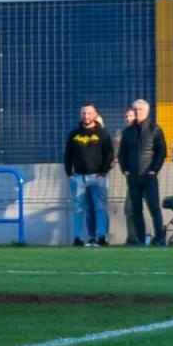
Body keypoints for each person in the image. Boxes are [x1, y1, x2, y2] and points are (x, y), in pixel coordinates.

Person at [119, 98, 167, 246]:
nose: (137, 112)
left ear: (147, 111)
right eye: (135, 110)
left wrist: (154, 170)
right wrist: (125, 170)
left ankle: (160, 238)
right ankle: (140, 239)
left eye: (140, 110)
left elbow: (162, 151)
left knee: (154, 208)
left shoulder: (155, 129)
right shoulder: (128, 132)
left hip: (149, 176)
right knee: (136, 209)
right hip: (133, 177)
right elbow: (122, 153)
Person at [63, 103, 113, 246]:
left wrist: (103, 173)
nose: (86, 116)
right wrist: (69, 173)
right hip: (78, 178)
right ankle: (78, 238)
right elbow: (67, 154)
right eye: (84, 113)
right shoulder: (74, 133)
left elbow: (109, 154)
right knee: (79, 209)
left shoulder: (102, 133)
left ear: (95, 114)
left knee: (100, 208)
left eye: (89, 113)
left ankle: (101, 237)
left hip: (98, 177)